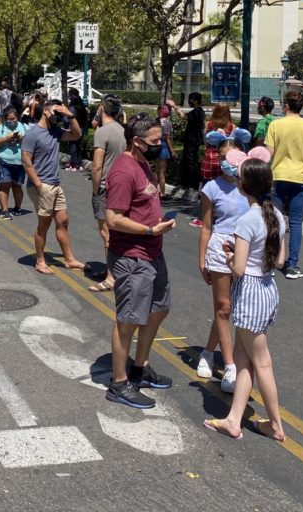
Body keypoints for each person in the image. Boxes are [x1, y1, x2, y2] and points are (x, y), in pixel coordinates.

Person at [203, 158, 288, 442]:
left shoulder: (247, 220)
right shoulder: (277, 215)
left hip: (249, 291)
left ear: (243, 186)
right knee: (243, 360)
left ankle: (276, 425)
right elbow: (281, 260)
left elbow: (238, 269)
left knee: (261, 362)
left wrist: (229, 255)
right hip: (267, 288)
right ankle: (233, 420)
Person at [103, 115, 177, 409]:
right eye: (155, 141)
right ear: (136, 142)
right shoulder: (123, 171)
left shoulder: (142, 162)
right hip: (132, 256)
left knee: (159, 309)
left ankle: (140, 367)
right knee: (128, 320)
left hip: (153, 252)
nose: (160, 146)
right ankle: (119, 383)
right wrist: (148, 229)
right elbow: (113, 219)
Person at [195, 143, 264, 393]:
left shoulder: (249, 187)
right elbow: (206, 226)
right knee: (224, 308)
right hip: (219, 250)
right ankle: (230, 364)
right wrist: (202, 259)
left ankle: (207, 352)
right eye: (222, 157)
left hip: (246, 251)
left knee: (234, 309)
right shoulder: (211, 188)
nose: (227, 161)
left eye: (231, 157)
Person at [21, 99, 88, 275]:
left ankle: (69, 259)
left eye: (60, 114)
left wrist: (69, 115)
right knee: (44, 225)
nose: (58, 117)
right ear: (46, 111)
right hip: (42, 185)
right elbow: (26, 161)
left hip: (55, 184)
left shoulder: (55, 131)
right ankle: (40, 261)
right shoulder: (33, 133)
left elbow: (77, 134)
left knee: (63, 221)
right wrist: (38, 184)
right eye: (56, 113)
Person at [264, 90, 303, 280]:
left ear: (286, 105)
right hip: (300, 178)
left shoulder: (275, 125)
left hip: (278, 176)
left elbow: (268, 153)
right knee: (295, 222)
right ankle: (292, 265)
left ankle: (270, 260)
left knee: (274, 220)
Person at [88, 96, 127, 292]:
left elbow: (97, 166)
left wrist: (96, 190)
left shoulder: (102, 132)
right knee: (118, 232)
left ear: (102, 109)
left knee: (106, 234)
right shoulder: (122, 130)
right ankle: (112, 271)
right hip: (122, 187)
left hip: (105, 187)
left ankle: (111, 277)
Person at [0, 106, 29, 219]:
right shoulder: (0, 128)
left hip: (20, 161)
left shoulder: (24, 127)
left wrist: (22, 138)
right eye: (9, 119)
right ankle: (4, 210)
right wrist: (7, 138)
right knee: (5, 185)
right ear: (5, 118)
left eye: (14, 119)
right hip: (4, 161)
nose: (12, 121)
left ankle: (17, 207)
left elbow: (33, 141)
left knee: (17, 186)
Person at [201, 103, 235, 183]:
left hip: (210, 158)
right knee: (223, 184)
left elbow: (205, 142)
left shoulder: (208, 124)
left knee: (207, 183)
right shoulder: (232, 126)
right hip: (224, 159)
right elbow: (232, 144)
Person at [179, 92, 205, 191]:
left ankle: (191, 183)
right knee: (190, 160)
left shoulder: (197, 111)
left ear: (195, 100)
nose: (190, 101)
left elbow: (184, 117)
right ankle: (189, 183)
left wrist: (175, 107)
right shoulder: (200, 111)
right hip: (195, 139)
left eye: (191, 99)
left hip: (192, 140)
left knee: (190, 161)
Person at [155, 100, 177, 196]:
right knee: (162, 172)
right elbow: (167, 138)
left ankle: (154, 191)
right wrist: (172, 151)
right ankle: (162, 193)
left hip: (156, 145)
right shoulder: (166, 122)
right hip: (164, 146)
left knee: (157, 170)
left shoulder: (155, 120)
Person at [65, 88, 89, 171]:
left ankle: (73, 164)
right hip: (81, 128)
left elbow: (67, 119)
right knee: (78, 146)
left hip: (73, 128)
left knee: (72, 146)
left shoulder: (72, 106)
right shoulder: (81, 105)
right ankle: (79, 164)